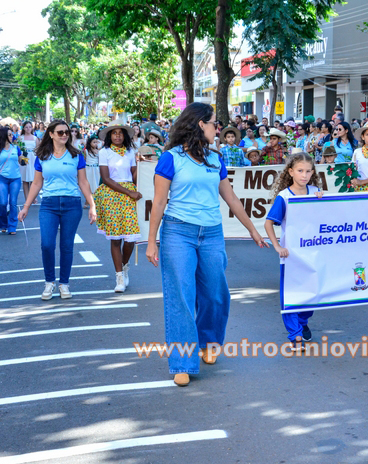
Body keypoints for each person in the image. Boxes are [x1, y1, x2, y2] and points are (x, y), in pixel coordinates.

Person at [144, 103, 268, 387]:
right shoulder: (170, 158)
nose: (219, 128)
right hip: (178, 233)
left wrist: (253, 230)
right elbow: (159, 202)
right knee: (181, 298)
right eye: (215, 123)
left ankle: (209, 341)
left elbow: (232, 198)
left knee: (216, 294)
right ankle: (182, 362)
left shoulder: (215, 158)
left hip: (211, 234)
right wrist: (152, 242)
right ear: (201, 124)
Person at [19, 119, 97, 301]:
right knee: (47, 244)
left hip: (72, 204)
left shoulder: (76, 155)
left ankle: (64, 284)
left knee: (66, 246)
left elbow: (83, 182)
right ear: (51, 134)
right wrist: (26, 207)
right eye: (60, 132)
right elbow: (37, 183)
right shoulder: (42, 156)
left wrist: (91, 204)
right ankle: (49, 282)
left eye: (66, 132)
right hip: (49, 204)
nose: (64, 135)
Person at [263, 153, 324, 348]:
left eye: (308, 171)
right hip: (290, 256)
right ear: (290, 172)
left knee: (312, 294)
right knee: (290, 294)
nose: (304, 175)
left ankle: (302, 322)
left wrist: (324, 201)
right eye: (300, 171)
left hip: (312, 254)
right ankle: (295, 334)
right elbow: (268, 223)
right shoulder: (284, 197)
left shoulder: (315, 192)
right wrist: (278, 246)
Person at [94, 120, 140, 293]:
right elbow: (106, 178)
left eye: (121, 133)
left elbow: (134, 175)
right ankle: (119, 276)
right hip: (112, 193)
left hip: (129, 193)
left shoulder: (131, 151)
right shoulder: (104, 152)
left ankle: (125, 265)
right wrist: (129, 193)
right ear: (109, 136)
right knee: (116, 238)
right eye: (114, 133)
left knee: (130, 238)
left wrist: (141, 165)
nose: (118, 136)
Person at [18, 121, 37, 202]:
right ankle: (27, 198)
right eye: (26, 127)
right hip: (24, 158)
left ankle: (33, 197)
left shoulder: (35, 138)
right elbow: (18, 149)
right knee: (25, 180)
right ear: (23, 128)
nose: (28, 129)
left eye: (30, 127)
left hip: (33, 158)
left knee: (33, 179)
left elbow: (38, 149)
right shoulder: (20, 138)